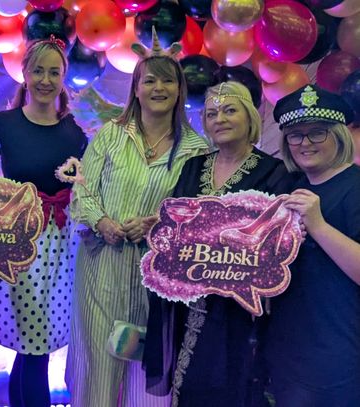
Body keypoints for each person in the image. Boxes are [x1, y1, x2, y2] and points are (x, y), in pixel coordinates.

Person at [66, 33, 208, 407]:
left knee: (146, 370)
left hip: (157, 277)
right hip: (102, 268)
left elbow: (197, 215)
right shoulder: (110, 135)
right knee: (97, 364)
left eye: (168, 80)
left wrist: (157, 225)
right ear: (136, 89)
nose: (159, 88)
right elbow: (82, 190)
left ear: (179, 89)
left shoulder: (196, 150)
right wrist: (102, 222)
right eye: (150, 80)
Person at [143, 81, 295, 407]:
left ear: (249, 117)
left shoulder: (274, 172)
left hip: (238, 309)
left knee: (231, 384)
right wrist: (158, 227)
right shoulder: (193, 167)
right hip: (187, 299)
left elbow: (276, 240)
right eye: (211, 114)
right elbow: (176, 221)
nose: (220, 119)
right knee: (189, 385)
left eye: (229, 110)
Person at [0, 36, 87, 407]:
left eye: (54, 72)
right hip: (17, 245)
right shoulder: (2, 124)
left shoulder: (74, 132)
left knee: (35, 345)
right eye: (38, 71)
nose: (45, 79)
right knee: (31, 346)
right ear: (25, 74)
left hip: (59, 248)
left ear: (63, 77)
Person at [264, 84, 360, 406]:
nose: (305, 143)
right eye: (295, 135)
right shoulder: (289, 187)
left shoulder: (356, 186)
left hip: (339, 358)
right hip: (288, 352)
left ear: (339, 135)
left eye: (317, 132)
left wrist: (318, 225)